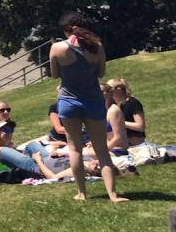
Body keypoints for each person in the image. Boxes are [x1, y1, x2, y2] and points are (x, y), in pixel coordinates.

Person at [50, 12, 126, 203]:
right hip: (93, 101)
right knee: (101, 150)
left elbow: (54, 75)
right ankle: (112, 194)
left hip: (68, 102)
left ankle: (82, 193)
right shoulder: (97, 47)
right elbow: (101, 72)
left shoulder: (57, 48)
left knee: (74, 148)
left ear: (70, 30)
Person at [107, 79, 146, 144]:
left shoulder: (133, 103)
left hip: (136, 144)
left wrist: (119, 123)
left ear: (119, 90)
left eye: (111, 92)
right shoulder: (122, 105)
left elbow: (140, 126)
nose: (110, 95)